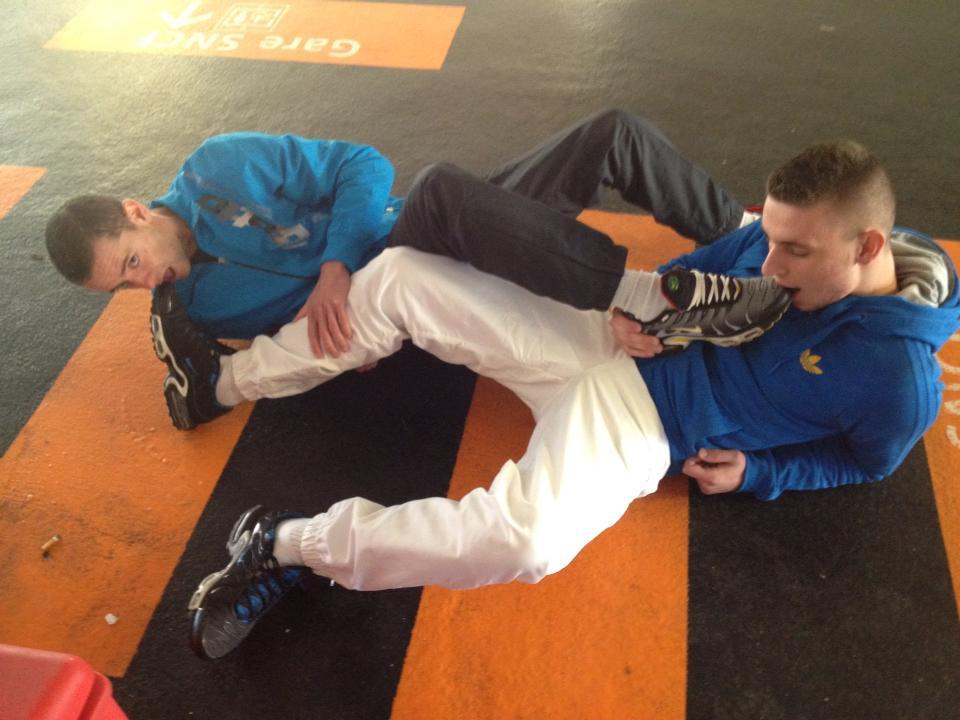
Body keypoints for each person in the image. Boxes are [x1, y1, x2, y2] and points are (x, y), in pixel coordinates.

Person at [176, 130, 958, 659]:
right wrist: (631, 311)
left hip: (645, 425)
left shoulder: (897, 379)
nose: (772, 263)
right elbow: (700, 270)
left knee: (524, 544)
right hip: (603, 341)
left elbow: (864, 461)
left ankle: (284, 543)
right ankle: (222, 382)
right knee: (400, 277)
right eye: (772, 238)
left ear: (867, 247)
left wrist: (763, 473)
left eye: (796, 252)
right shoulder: (776, 239)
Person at [45, 110, 790, 428]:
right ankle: (646, 297)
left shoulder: (219, 165)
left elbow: (362, 165)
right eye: (123, 286)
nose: (144, 284)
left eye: (133, 262)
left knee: (609, 134)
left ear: (136, 211)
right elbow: (296, 345)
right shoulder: (198, 304)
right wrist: (346, 329)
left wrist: (335, 264)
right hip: (406, 296)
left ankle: (748, 237)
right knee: (437, 198)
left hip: (434, 227)